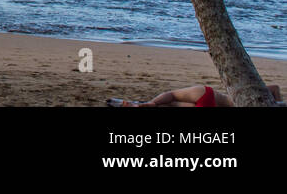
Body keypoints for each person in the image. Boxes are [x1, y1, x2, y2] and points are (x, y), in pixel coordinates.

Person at [110, 84, 282, 107]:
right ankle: (134, 105)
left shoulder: (256, 94)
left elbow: (275, 87)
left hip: (211, 96)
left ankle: (148, 103)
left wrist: (277, 99)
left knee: (171, 96)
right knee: (173, 106)